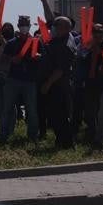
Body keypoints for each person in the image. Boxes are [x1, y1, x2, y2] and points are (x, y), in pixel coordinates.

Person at [0, 16, 41, 142]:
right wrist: (12, 59)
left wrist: (38, 56)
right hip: (13, 79)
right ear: (18, 25)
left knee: (32, 109)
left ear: (29, 26)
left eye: (26, 24)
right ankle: (4, 134)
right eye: (22, 24)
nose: (24, 26)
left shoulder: (35, 42)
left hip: (30, 80)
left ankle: (33, 135)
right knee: (7, 108)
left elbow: (43, 57)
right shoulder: (12, 43)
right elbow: (2, 59)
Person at [37, 16, 76, 148]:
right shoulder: (58, 40)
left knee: (60, 115)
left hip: (57, 85)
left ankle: (65, 142)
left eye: (56, 25)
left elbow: (60, 69)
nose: (52, 27)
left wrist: (48, 83)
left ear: (65, 28)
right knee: (54, 115)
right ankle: (61, 140)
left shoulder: (65, 45)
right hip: (53, 84)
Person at [73, 24, 103, 142]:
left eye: (99, 35)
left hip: (99, 84)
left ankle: (96, 135)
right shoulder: (86, 47)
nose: (97, 37)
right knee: (84, 111)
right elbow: (79, 59)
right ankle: (86, 133)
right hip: (85, 82)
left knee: (95, 112)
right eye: (95, 35)